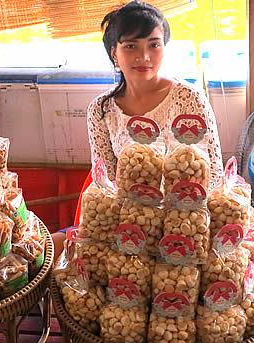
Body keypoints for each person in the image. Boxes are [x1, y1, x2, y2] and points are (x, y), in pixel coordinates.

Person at [51, 0, 223, 257]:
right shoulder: (101, 109)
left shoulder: (189, 98)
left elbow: (214, 174)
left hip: (186, 221)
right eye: (131, 46)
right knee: (51, 246)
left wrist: (185, 222)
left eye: (154, 45)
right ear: (114, 53)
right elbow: (105, 180)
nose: (144, 57)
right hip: (130, 219)